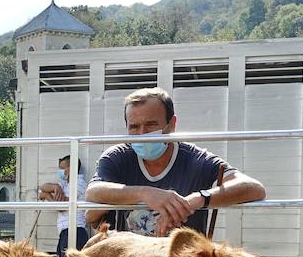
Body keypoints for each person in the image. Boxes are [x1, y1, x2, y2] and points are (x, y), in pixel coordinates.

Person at [86, 87, 265, 237]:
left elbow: (254, 188)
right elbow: (94, 192)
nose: (142, 134)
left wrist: (198, 199)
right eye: (134, 127)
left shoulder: (195, 159)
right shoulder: (118, 157)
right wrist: (145, 194)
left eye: (150, 125)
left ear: (171, 125)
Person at [39, 155, 88, 257]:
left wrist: (47, 196)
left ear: (71, 169)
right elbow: (43, 187)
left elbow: (62, 207)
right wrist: (56, 187)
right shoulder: (65, 184)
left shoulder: (78, 183)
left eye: (62, 168)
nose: (60, 171)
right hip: (65, 231)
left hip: (75, 230)